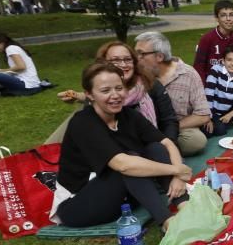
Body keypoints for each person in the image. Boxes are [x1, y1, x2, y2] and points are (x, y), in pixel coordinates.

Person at [51, 61, 192, 230]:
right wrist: (177, 170)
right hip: (79, 205)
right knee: (129, 164)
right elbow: (123, 165)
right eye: (105, 91)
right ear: (89, 94)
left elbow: (167, 143)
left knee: (154, 147)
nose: (115, 95)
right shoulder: (83, 122)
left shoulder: (128, 115)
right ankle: (167, 223)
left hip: (122, 196)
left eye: (119, 88)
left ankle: (185, 206)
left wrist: (178, 176)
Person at [46, 41, 179, 145]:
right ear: (103, 63)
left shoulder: (151, 85)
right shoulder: (96, 94)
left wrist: (168, 144)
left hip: (152, 140)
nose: (123, 65)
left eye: (127, 59)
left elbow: (169, 120)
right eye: (115, 60)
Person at [134, 31, 210, 156]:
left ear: (159, 56)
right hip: (145, 128)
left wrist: (170, 129)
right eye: (135, 53)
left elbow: (203, 115)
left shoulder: (188, 74)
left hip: (179, 128)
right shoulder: (137, 76)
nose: (136, 58)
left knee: (196, 140)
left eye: (141, 54)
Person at [193, 0, 233, 82]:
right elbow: (199, 67)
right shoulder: (207, 39)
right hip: (212, 86)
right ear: (216, 18)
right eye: (223, 15)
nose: (228, 19)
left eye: (231, 15)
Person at [204, 47, 233, 137]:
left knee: (221, 131)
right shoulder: (216, 70)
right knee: (208, 132)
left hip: (225, 113)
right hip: (210, 111)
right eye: (229, 60)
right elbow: (208, 96)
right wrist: (208, 118)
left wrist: (230, 115)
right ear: (223, 61)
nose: (232, 63)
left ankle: (223, 122)